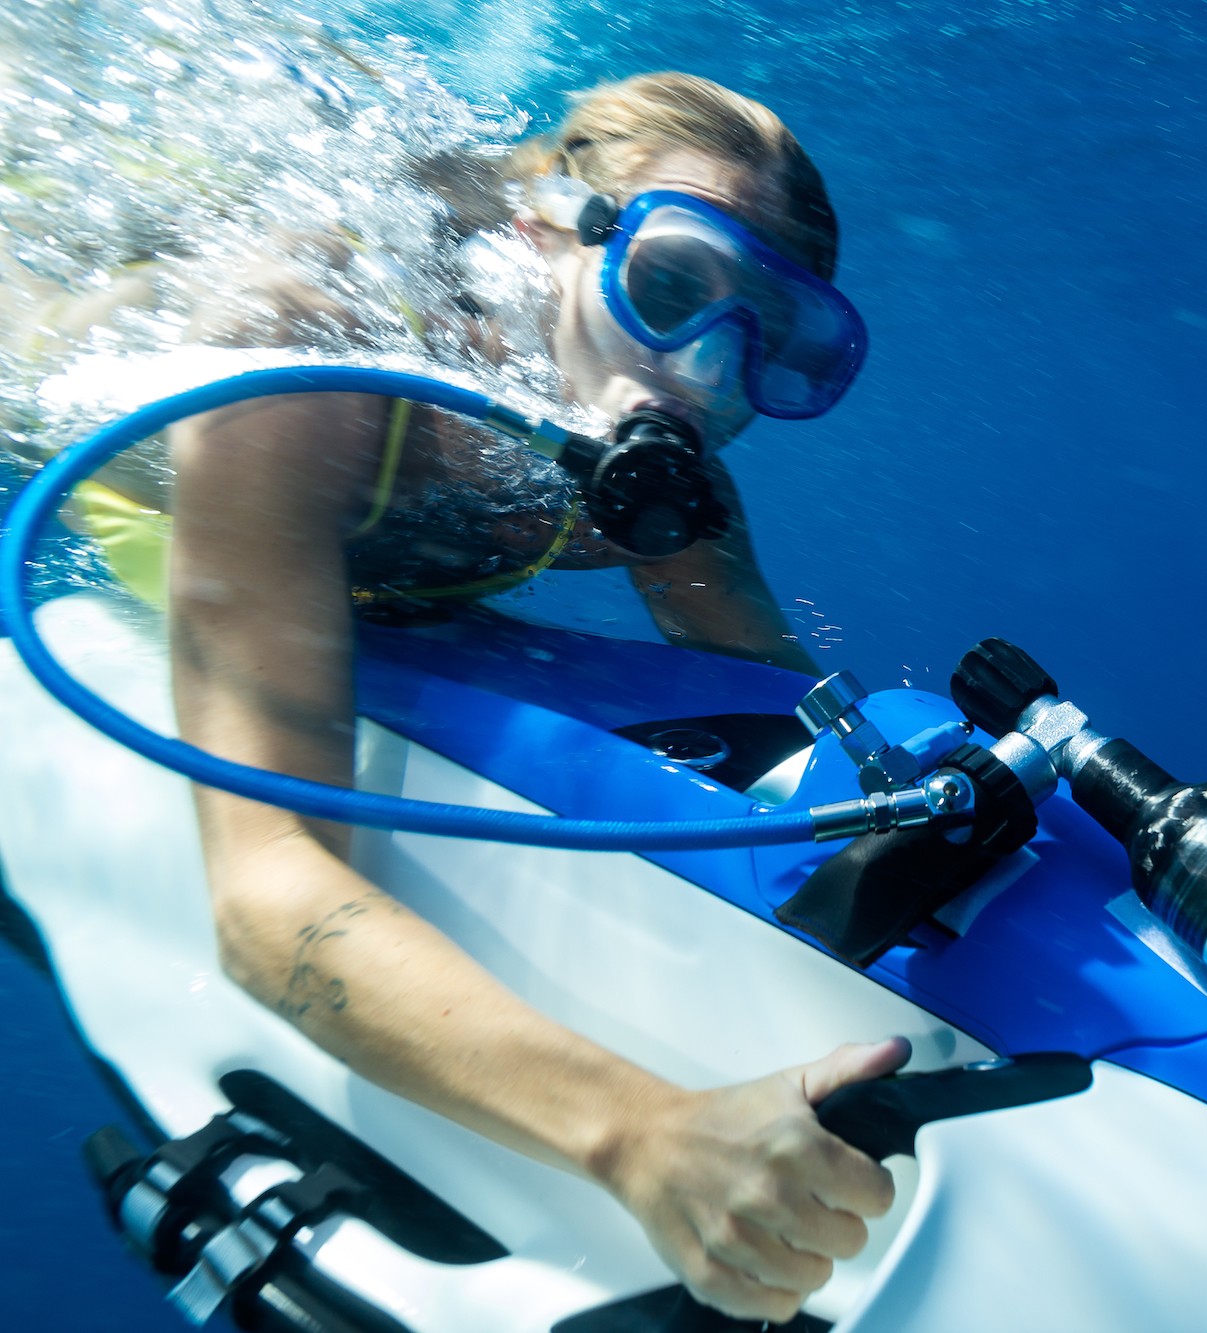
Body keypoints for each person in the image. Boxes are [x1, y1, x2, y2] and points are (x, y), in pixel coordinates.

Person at [34, 72, 908, 1324]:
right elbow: (267, 894)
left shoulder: (646, 474)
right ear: (542, 227)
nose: (705, 367)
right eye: (672, 285)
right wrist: (640, 1133)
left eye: (769, 338)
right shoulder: (297, 373)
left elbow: (788, 704)